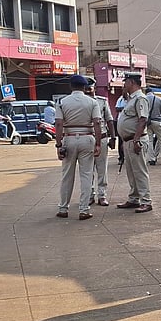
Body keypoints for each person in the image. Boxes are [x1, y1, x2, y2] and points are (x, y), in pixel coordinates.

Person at [55, 75, 104, 220]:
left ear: (71, 86)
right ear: (84, 87)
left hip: (69, 138)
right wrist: (98, 143)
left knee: (67, 175)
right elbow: (97, 123)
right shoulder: (92, 102)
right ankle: (84, 209)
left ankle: (63, 208)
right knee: (86, 175)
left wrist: (58, 144)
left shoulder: (62, 102)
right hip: (87, 137)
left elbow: (58, 124)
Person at [116, 73, 152, 213]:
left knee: (140, 171)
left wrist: (136, 139)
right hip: (128, 140)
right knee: (131, 171)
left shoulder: (140, 98)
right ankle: (134, 198)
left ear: (131, 82)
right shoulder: (130, 99)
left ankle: (146, 201)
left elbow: (143, 120)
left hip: (136, 140)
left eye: (125, 82)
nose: (124, 85)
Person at [85, 80, 116, 207]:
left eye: (90, 88)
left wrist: (113, 137)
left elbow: (109, 120)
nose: (88, 90)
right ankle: (90, 195)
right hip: (86, 138)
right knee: (87, 169)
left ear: (95, 88)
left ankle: (102, 195)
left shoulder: (102, 101)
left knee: (102, 168)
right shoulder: (81, 102)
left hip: (102, 138)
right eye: (85, 88)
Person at [144, 87, 161, 165]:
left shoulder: (144, 99)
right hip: (157, 121)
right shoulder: (159, 99)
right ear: (152, 92)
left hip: (147, 122)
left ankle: (152, 159)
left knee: (150, 141)